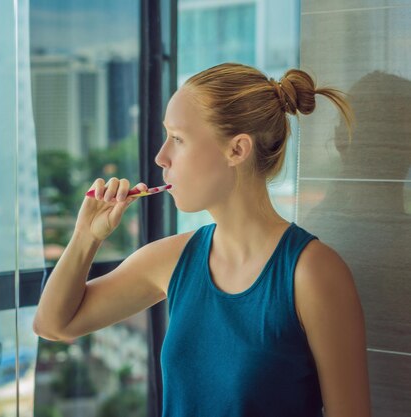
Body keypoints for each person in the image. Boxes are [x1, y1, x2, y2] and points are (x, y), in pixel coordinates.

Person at [33, 63, 371, 417]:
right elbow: (53, 325)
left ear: (237, 150)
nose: (161, 157)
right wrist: (86, 237)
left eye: (177, 139)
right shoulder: (171, 260)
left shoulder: (313, 273)